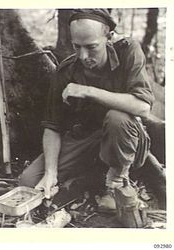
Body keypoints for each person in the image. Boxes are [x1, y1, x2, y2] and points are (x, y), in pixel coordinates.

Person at [19, 9, 154, 211]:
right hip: (84, 138)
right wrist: (50, 172)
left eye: (91, 47)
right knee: (29, 182)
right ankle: (88, 178)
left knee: (117, 118)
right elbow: (52, 126)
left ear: (109, 38)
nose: (83, 56)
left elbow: (143, 107)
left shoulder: (128, 51)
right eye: (77, 47)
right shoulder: (66, 70)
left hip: (124, 137)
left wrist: (89, 91)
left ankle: (114, 184)